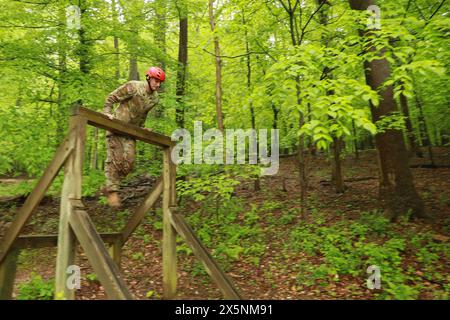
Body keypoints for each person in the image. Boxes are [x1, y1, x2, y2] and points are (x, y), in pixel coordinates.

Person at [103, 67, 166, 207]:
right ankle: (111, 189)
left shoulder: (155, 98)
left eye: (160, 82)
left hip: (132, 131)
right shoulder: (133, 87)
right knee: (117, 159)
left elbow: (142, 114)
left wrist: (142, 128)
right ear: (149, 78)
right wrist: (107, 112)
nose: (158, 84)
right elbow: (112, 97)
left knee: (129, 165)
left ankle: (108, 186)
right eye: (156, 80)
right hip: (116, 126)